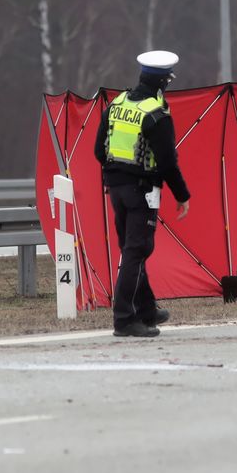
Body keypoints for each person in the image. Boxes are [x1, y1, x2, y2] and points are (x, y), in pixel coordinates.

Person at [95, 50, 191, 338]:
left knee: (132, 249)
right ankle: (124, 319)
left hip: (116, 188)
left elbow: (99, 150)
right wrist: (182, 194)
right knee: (137, 251)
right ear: (163, 82)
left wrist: (120, 173)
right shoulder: (156, 114)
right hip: (142, 191)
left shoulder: (117, 104)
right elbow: (167, 162)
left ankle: (147, 310)